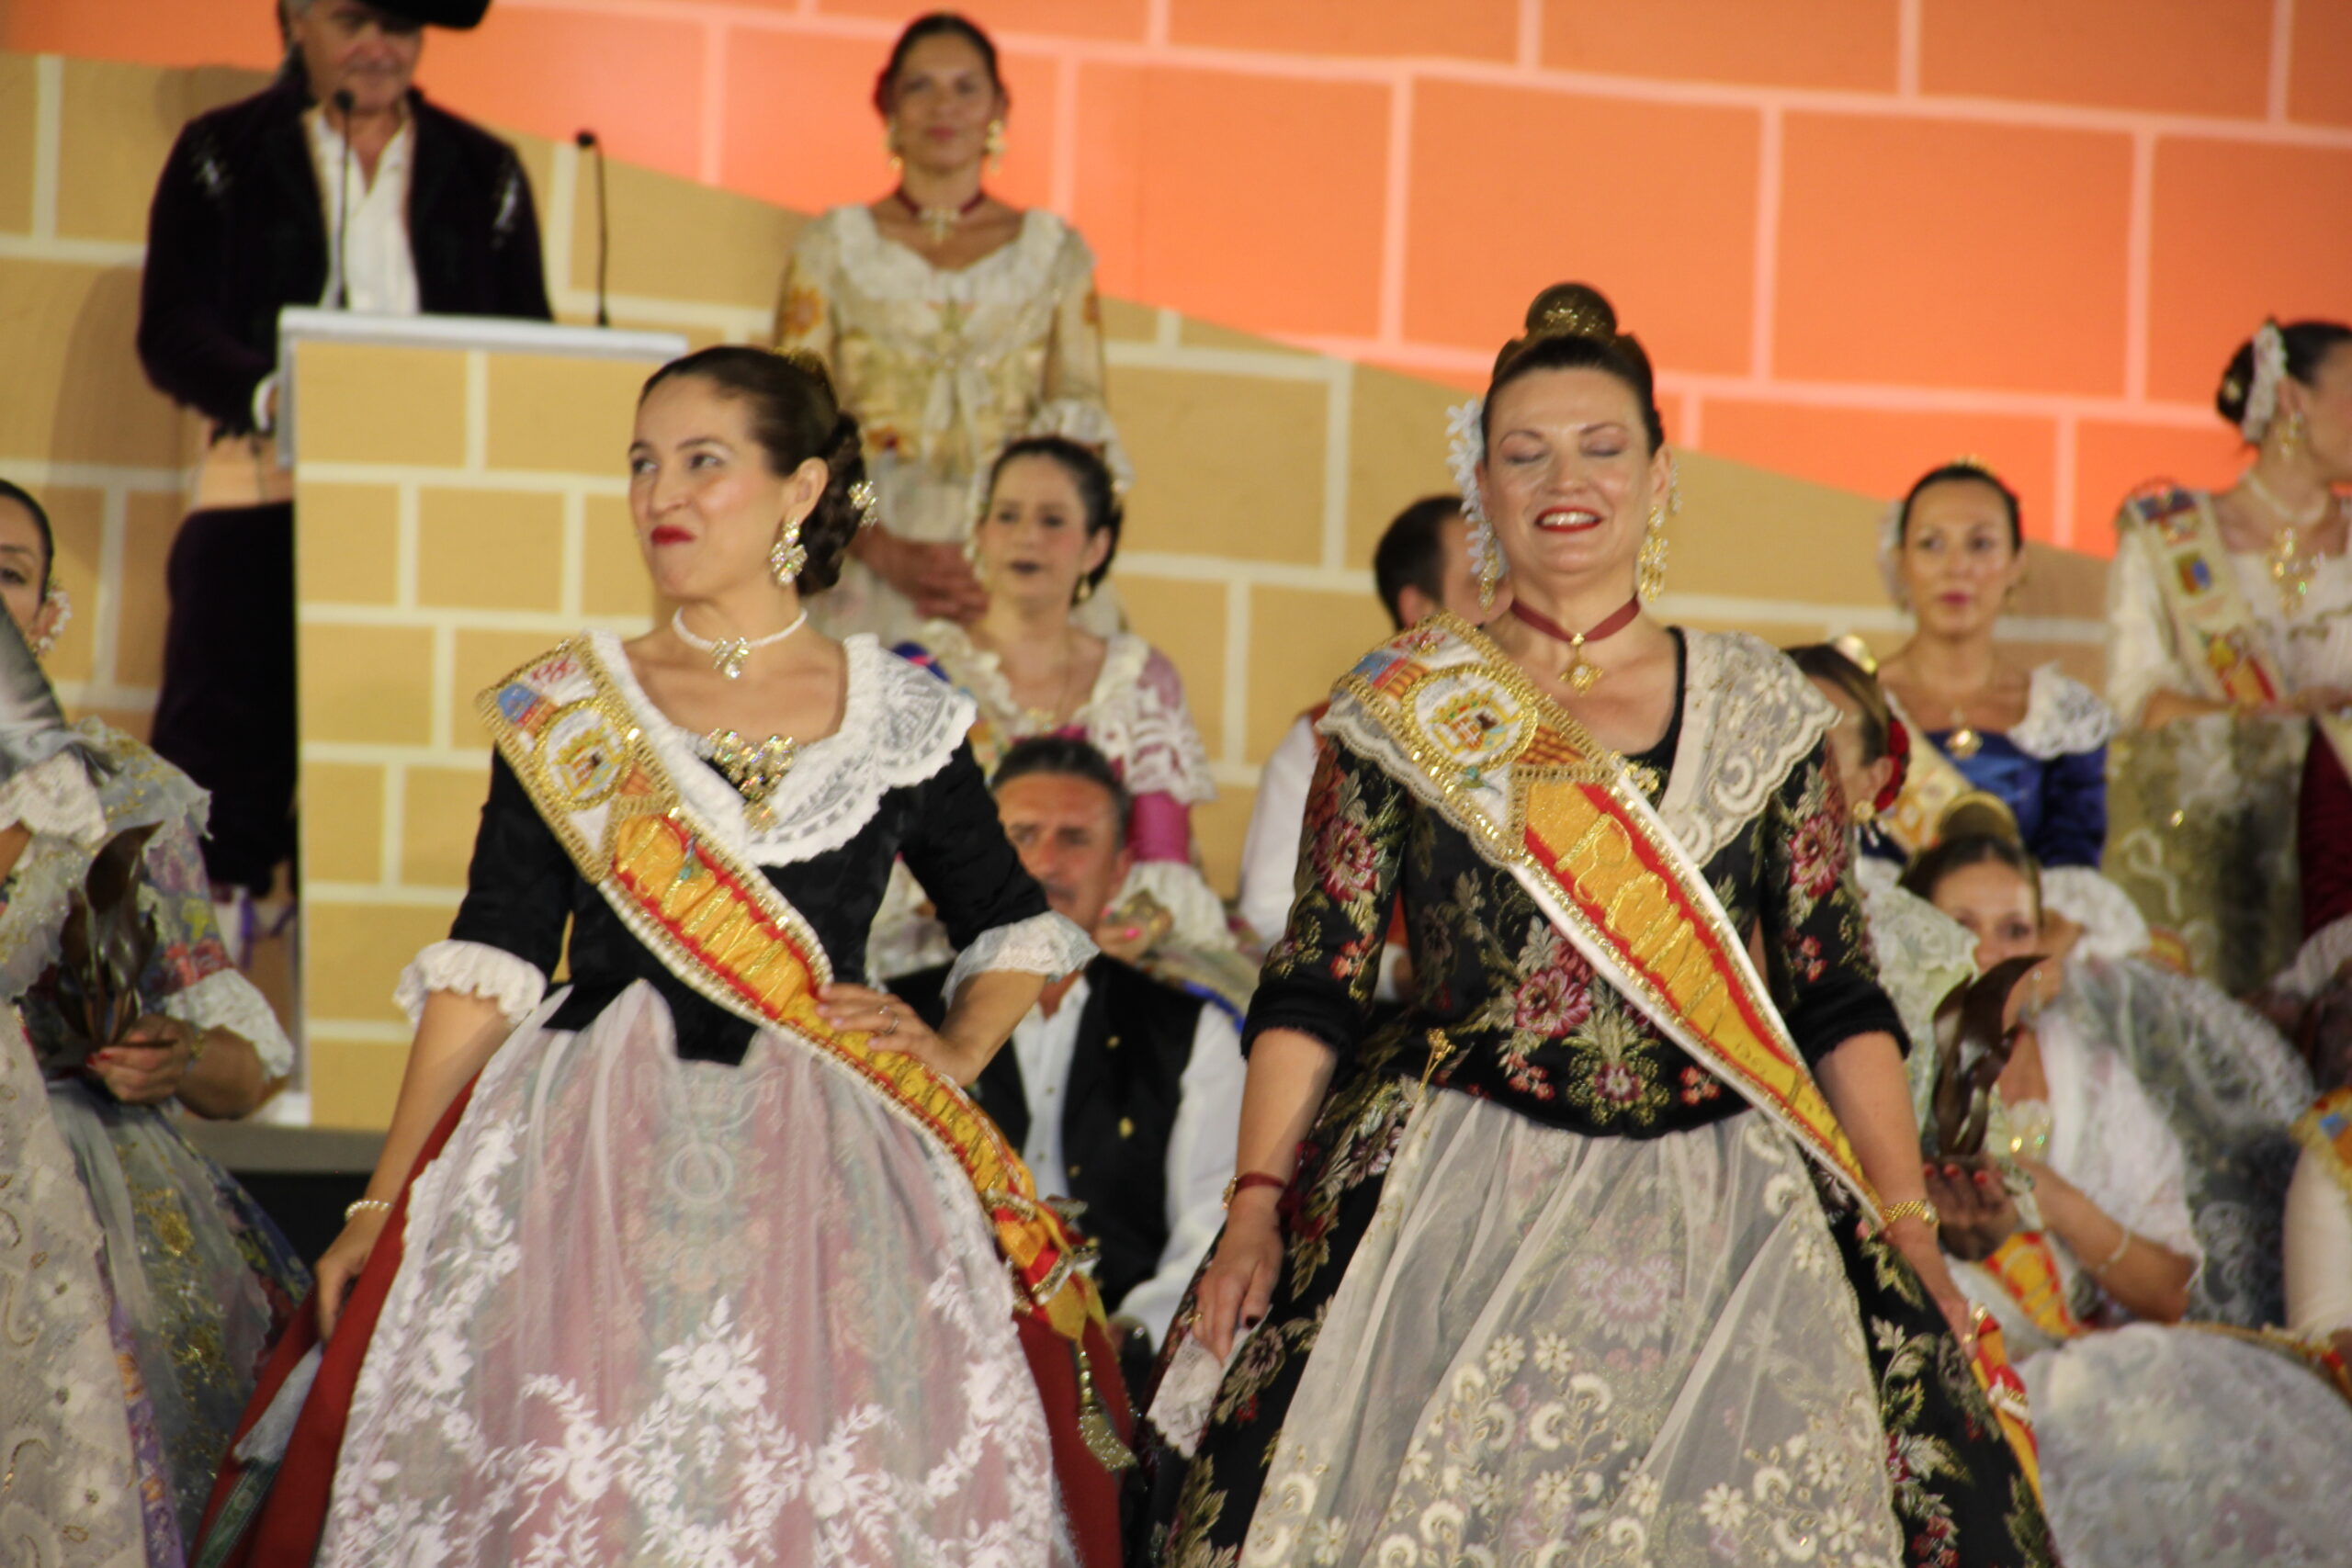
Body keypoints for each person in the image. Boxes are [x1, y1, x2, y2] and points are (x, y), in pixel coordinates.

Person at [1143, 286, 2052, 1567]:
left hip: (1732, 1190)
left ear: (1660, 473)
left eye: (1601, 446)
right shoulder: (1404, 704)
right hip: (1453, 1191)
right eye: (1525, 451)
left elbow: (1836, 990)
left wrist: (1909, 1237)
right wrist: (1254, 1207)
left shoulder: (1759, 704)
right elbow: (1314, 978)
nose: (1564, 479)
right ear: (1484, 485)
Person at [191, 348, 1133, 1567]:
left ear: (798, 491)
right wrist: (382, 1198)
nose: (660, 495)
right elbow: (493, 958)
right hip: (585, 1150)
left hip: (828, 1161)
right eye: (642, 463)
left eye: (702, 462)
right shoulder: (569, 701)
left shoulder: (897, 710)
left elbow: (1014, 922)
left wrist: (951, 1049)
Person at [137, 0, 551, 943]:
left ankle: (373, 1060)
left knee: (394, 805)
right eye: (355, 16)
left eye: (403, 24)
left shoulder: (486, 173)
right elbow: (171, 330)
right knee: (216, 799)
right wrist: (278, 394)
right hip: (260, 500)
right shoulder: (221, 153)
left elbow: (532, 346)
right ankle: (202, 1050)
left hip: (433, 526)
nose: (380, 45)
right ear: (293, 18)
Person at [0, 479, 307, 1565]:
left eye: (10, 575)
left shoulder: (123, 794)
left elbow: (238, 1071)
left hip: (85, 1190)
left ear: (48, 614)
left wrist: (171, 1056)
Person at [1905, 830, 2352, 1568]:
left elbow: (2174, 1294)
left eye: (2013, 930)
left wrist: (2051, 1201)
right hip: (1974, 1364)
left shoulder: (2091, 1073)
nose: (1985, 953)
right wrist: (1961, 1244)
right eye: (1958, 929)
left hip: (2119, 1364)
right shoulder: (1887, 1068)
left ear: (2040, 952)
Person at [892, 736, 1246, 1371]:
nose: (1045, 862)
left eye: (1076, 838)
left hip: (1124, 1363)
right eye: (1022, 835)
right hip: (937, 1351)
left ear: (1118, 870)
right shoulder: (902, 1017)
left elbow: (1211, 1221)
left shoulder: (1192, 1032)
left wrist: (1135, 1332)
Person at [773, 12, 1125, 642]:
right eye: (921, 87)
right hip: (867, 543)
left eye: (966, 87)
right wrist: (878, 546)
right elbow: (797, 417)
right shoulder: (830, 247)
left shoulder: (1055, 252)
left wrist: (1018, 545)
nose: (945, 107)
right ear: (888, 105)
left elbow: (1081, 424)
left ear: (999, 106)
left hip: (1012, 545)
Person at [884, 435, 1249, 1012]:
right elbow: (894, 852)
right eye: (1007, 516)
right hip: (947, 939)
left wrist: (1118, 934)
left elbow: (1164, 861)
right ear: (980, 533)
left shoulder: (1139, 677)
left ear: (1096, 546)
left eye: (1053, 520)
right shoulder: (917, 674)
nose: (1027, 536)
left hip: (1106, 943)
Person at [2105, 317, 2352, 994]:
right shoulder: (2170, 539)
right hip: (2217, 861)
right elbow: (2141, 701)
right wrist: (2271, 716)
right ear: (2295, 401)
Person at [1868, 460, 2146, 957]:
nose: (1957, 567)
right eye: (1932, 543)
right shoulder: (1857, 708)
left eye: (1980, 544)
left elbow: (2072, 871)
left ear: (2017, 563)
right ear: (1901, 560)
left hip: (2026, 969)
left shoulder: (2062, 716)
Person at [1236, 493, 1498, 952]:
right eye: (1483, 585)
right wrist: (1397, 974)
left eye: (1513, 581)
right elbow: (1267, 913)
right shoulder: (1329, 738)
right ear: (1419, 610)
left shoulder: (1554, 730)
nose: (1507, 604)